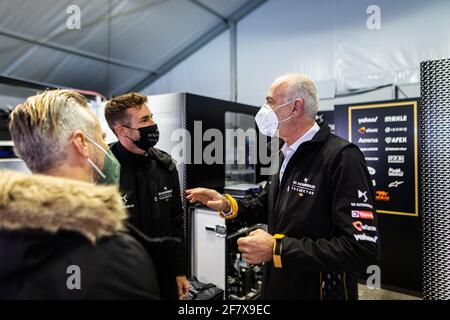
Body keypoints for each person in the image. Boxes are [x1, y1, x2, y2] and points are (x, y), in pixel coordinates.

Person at [187, 74, 380, 300]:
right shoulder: (284, 151)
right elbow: (268, 204)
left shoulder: (341, 157)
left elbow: (360, 250)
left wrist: (277, 249)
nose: (264, 110)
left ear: (295, 107)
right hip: (279, 285)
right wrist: (227, 204)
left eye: (270, 101)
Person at [0, 89, 159, 299]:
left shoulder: (9, 238)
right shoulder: (116, 256)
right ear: (82, 143)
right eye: (101, 137)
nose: (105, 146)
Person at [104, 92, 189, 300]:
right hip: (121, 278)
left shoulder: (165, 165)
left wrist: (179, 271)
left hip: (163, 273)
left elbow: (176, 222)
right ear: (122, 131)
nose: (153, 124)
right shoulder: (103, 169)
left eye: (151, 117)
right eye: (145, 120)